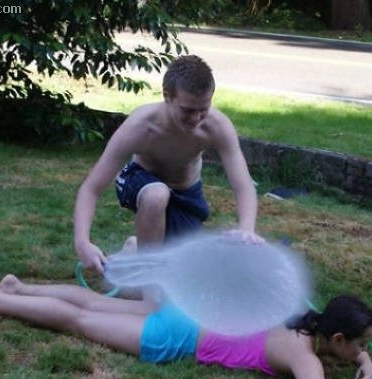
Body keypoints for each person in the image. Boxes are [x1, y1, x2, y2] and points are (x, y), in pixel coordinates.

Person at [0, 275, 372, 379]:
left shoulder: (299, 318)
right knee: (81, 321)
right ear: (336, 337)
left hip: (189, 314)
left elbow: (344, 356)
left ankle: (18, 287)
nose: (362, 352)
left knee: (94, 303)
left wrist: (362, 364)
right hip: (177, 337)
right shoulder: (303, 356)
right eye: (360, 345)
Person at [74, 55, 261, 274]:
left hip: (186, 193)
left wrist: (246, 229)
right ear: (166, 96)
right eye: (187, 110)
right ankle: (147, 280)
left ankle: (135, 248)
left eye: (203, 109)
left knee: (186, 269)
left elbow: (243, 185)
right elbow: (91, 188)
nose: (196, 118)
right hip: (139, 180)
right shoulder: (140, 126)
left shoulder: (217, 126)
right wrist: (82, 243)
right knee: (156, 195)